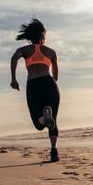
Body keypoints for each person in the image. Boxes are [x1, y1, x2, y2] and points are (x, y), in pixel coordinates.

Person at [10, 18, 61, 162]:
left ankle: (43, 118)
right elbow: (55, 76)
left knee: (38, 124)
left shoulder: (24, 50)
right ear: (43, 36)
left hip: (33, 85)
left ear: (29, 36)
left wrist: (13, 79)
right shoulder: (51, 52)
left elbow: (14, 59)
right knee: (54, 122)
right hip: (49, 84)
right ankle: (54, 151)